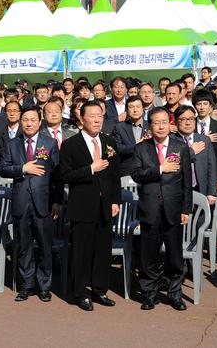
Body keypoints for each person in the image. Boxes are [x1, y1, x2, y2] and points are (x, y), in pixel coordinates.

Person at [60, 100, 121, 311]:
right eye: (92, 116)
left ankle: (100, 290)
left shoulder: (109, 141)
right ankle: (80, 292)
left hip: (105, 206)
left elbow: (115, 176)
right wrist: (90, 169)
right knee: (82, 252)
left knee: (103, 251)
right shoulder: (70, 144)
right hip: (82, 206)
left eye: (100, 116)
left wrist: (115, 200)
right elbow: (65, 175)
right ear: (81, 118)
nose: (96, 120)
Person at [130, 107, 192, 311]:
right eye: (156, 122)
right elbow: (137, 175)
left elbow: (186, 183)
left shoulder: (180, 147)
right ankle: (149, 294)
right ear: (150, 126)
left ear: (170, 123)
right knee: (149, 255)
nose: (161, 126)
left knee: (174, 255)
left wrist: (186, 209)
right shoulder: (141, 148)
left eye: (165, 121)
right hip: (150, 209)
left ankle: (175, 293)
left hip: (174, 209)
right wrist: (159, 169)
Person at [0, 106, 62, 302]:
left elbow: (58, 175)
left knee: (44, 246)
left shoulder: (49, 143)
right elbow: (2, 169)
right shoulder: (12, 144)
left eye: (33, 119)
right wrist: (22, 169)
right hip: (21, 202)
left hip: (44, 202)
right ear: (20, 121)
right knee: (23, 246)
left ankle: (44, 286)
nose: (29, 123)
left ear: (40, 121)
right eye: (25, 119)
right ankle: (26, 285)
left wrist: (57, 201)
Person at [175, 106, 217, 203]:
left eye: (191, 119)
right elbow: (174, 162)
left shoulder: (204, 140)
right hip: (179, 190)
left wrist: (212, 192)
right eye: (183, 119)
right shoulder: (171, 140)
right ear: (176, 121)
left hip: (200, 187)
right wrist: (191, 151)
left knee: (201, 217)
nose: (188, 123)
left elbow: (212, 166)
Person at [192, 90, 217, 192]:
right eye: (199, 104)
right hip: (193, 174)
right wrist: (206, 139)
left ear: (211, 106)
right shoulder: (190, 124)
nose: (202, 107)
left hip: (213, 172)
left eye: (205, 103)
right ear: (195, 106)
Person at [112, 96, 148, 176]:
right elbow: (118, 148)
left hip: (148, 171)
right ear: (127, 111)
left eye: (138, 107)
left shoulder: (150, 126)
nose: (135, 110)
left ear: (143, 109)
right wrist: (136, 146)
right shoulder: (119, 128)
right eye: (131, 107)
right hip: (127, 172)